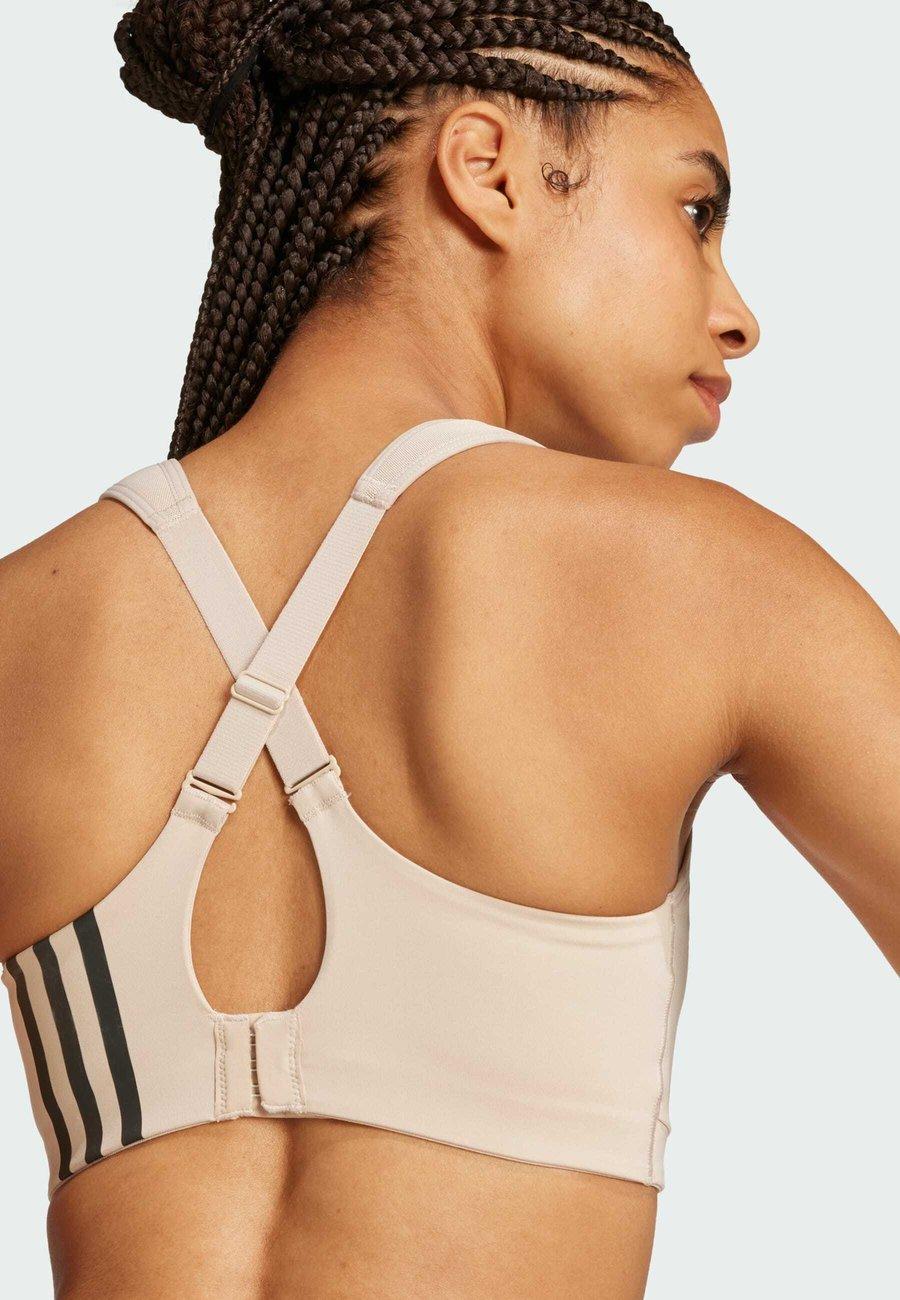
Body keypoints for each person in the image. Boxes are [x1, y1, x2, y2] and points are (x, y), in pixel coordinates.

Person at [1, 2, 897, 1296]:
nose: (737, 313)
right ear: (489, 172)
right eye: (696, 212)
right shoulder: (701, 576)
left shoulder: (30, 629)